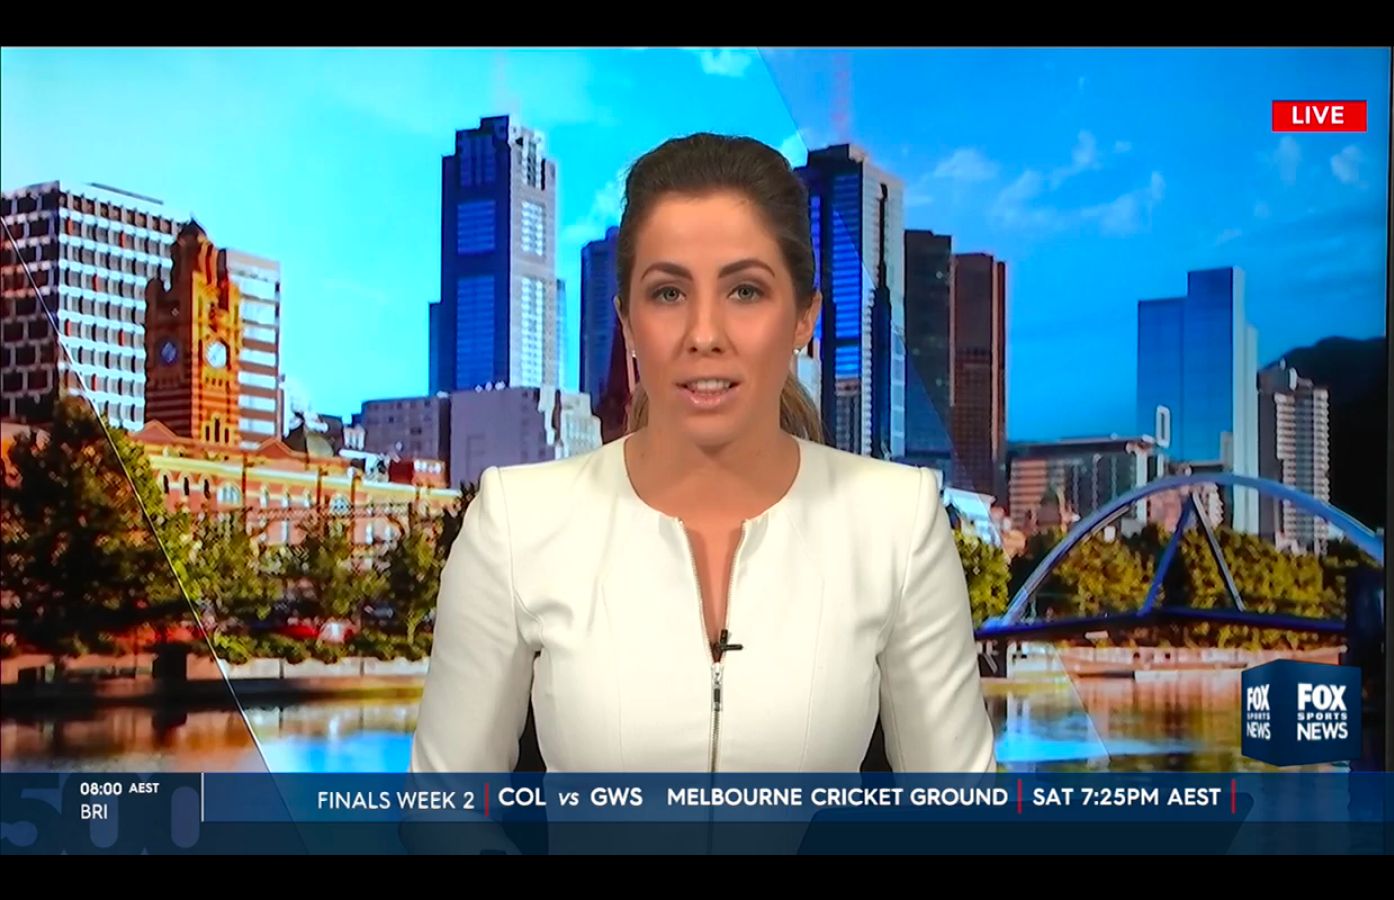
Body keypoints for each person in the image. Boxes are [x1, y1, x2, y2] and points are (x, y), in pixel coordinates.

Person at [409, 133, 996, 774]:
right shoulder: (516, 522)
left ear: (804, 319)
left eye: (745, 291)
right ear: (628, 323)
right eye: (668, 293)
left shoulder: (897, 522)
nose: (705, 334)